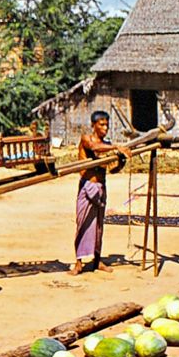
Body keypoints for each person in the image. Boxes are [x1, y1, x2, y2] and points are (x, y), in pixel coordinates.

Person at [69, 110, 131, 275]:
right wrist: (117, 146)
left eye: (107, 125)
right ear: (93, 125)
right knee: (82, 223)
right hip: (87, 186)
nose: (105, 128)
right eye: (102, 124)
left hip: (100, 188)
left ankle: (97, 260)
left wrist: (121, 161)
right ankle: (78, 262)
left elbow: (113, 170)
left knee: (98, 226)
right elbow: (94, 147)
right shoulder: (87, 139)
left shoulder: (107, 145)